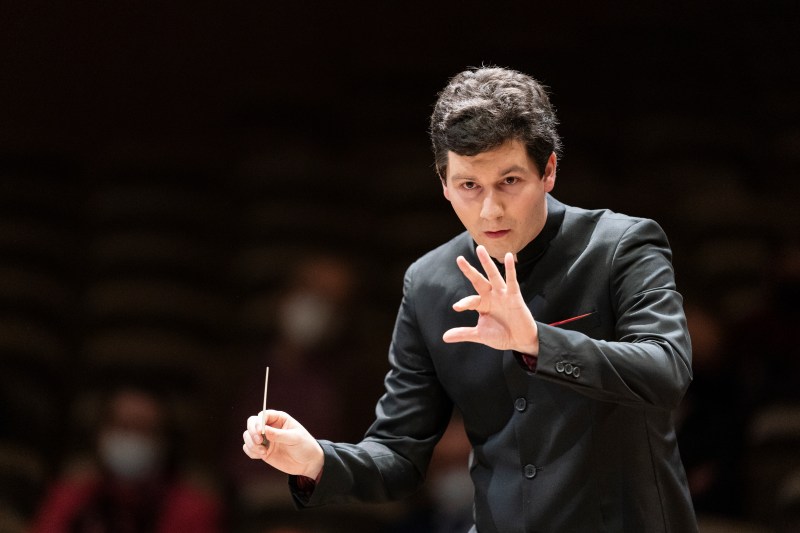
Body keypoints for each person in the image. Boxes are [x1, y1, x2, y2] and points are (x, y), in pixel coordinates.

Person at [242, 66, 697, 532]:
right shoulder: (428, 283)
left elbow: (667, 371)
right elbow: (400, 453)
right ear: (444, 182)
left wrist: (537, 341)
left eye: (509, 181)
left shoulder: (621, 246)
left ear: (549, 171)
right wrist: (316, 459)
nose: (490, 210)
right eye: (469, 186)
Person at [32, 386, 222, 533]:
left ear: (165, 440)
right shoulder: (72, 493)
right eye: (122, 426)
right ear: (101, 433)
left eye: (143, 429)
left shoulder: (193, 508)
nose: (131, 438)